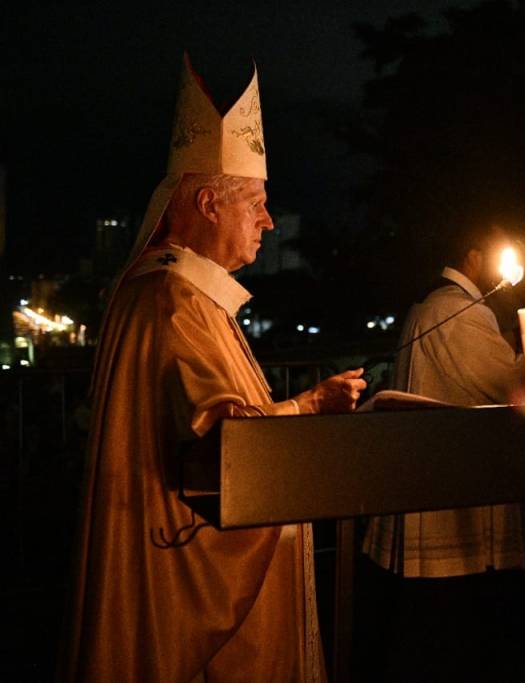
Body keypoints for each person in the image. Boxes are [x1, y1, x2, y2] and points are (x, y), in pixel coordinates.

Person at [61, 56, 366, 682]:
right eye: (256, 203)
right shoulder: (173, 300)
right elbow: (227, 444)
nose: (268, 221)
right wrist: (308, 407)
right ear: (208, 203)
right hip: (181, 567)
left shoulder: (186, 296)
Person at [361, 219, 525, 680]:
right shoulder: (458, 310)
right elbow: (507, 385)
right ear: (473, 258)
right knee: (447, 628)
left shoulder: (436, 303)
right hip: (449, 489)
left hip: (429, 476)